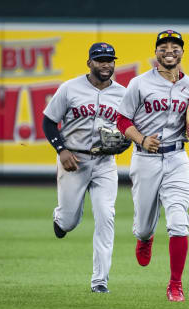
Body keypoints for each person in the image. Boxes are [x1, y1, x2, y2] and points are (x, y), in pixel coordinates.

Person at [116, 30, 189, 302]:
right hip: (145, 159)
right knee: (145, 226)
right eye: (164, 46)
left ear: (182, 51)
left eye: (175, 46)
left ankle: (175, 284)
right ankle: (144, 238)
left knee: (179, 222)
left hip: (177, 158)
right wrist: (142, 139)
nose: (170, 50)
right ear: (156, 52)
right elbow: (122, 120)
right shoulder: (139, 84)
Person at [42, 42, 126, 294]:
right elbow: (48, 121)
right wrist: (61, 150)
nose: (105, 64)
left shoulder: (123, 93)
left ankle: (100, 280)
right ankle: (61, 220)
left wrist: (123, 144)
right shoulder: (70, 88)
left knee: (106, 215)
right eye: (100, 60)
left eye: (109, 60)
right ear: (89, 63)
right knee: (69, 220)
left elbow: (130, 129)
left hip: (105, 163)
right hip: (73, 161)